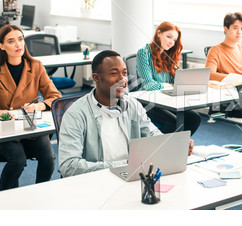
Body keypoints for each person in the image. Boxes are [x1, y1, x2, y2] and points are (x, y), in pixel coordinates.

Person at [58, 50, 194, 177]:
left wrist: (174, 145)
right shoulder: (76, 114)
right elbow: (69, 166)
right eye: (114, 73)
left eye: (124, 73)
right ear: (96, 78)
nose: (122, 79)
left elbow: (153, 135)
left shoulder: (132, 105)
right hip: (98, 181)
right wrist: (123, 166)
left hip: (132, 176)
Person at [0, 24, 60, 191]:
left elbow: (55, 97)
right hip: (4, 131)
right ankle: (0, 198)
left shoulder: (36, 66)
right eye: (11, 41)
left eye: (20, 39)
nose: (18, 44)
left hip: (29, 129)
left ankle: (38, 192)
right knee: (18, 160)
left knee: (49, 158)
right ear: (2, 46)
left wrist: (39, 106)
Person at [136, 21, 201, 135]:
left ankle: (179, 145)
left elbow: (175, 83)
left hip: (165, 100)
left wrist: (181, 79)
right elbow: (148, 85)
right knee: (174, 122)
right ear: (159, 33)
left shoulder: (168, 55)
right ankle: (159, 146)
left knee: (194, 118)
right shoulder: (143, 53)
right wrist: (167, 85)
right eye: (169, 37)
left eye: (174, 40)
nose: (171, 42)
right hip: (146, 102)